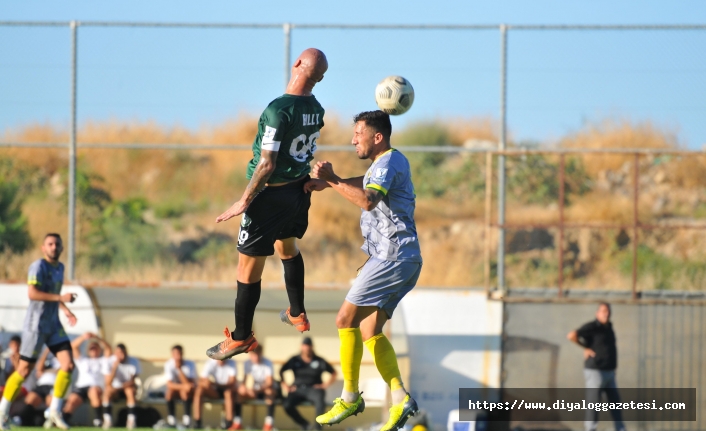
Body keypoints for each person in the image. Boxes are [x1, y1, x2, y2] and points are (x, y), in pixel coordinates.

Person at [206, 48, 329, 360]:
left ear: (298, 64)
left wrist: (244, 201)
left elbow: (267, 164)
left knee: (247, 269)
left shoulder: (278, 109)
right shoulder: (316, 108)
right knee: (287, 248)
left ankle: (241, 337)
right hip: (298, 193)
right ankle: (298, 312)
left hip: (270, 196)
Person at [304, 111, 423, 431]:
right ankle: (400, 398)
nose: (353, 138)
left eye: (359, 133)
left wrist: (332, 180)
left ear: (378, 137)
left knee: (345, 320)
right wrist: (333, 184)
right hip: (405, 259)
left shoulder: (386, 163)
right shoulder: (388, 163)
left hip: (390, 257)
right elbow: (368, 185)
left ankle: (350, 395)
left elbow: (368, 200)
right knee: (370, 331)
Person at [0, 233, 77, 431]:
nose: (54, 247)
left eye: (57, 244)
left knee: (68, 365)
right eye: (50, 244)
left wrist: (66, 310)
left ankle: (54, 411)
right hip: (36, 327)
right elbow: (33, 293)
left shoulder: (60, 267)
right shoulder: (38, 267)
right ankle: (2, 413)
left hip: (54, 325)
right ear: (43, 248)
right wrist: (62, 297)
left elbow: (53, 295)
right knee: (24, 371)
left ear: (61, 248)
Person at [567, 302, 625, 431]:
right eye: (603, 311)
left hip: (610, 373)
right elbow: (572, 335)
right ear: (597, 313)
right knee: (594, 404)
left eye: (608, 311)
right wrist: (585, 348)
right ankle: (590, 429)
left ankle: (620, 429)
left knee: (616, 404)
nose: (606, 313)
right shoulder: (592, 326)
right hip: (595, 371)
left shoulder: (609, 327)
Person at [280, 338, 336, 431]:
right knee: (287, 404)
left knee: (320, 402)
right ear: (301, 347)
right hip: (297, 389)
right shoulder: (295, 360)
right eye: (305, 346)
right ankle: (305, 425)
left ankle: (318, 427)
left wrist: (325, 385)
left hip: (314, 389)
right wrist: (285, 385)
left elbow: (333, 373)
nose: (307, 349)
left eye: (309, 346)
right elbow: (281, 371)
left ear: (312, 347)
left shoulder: (319, 360)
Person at [63, 332, 112, 426]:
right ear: (88, 350)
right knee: (72, 400)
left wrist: (98, 338)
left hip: (96, 386)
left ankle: (98, 420)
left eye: (95, 347)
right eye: (91, 348)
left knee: (93, 392)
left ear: (99, 349)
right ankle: (64, 420)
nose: (93, 350)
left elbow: (108, 348)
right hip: (81, 386)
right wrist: (83, 337)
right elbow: (73, 347)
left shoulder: (103, 360)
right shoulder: (83, 360)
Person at [102, 343, 140, 430]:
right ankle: (107, 420)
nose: (120, 355)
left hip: (126, 387)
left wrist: (120, 387)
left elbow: (132, 381)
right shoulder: (109, 361)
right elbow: (108, 383)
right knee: (107, 391)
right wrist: (115, 367)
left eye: (122, 353)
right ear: (115, 353)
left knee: (130, 391)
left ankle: (131, 420)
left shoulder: (133, 362)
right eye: (118, 353)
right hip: (114, 388)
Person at [193, 359, 237, 430]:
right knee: (199, 390)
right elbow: (202, 380)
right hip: (215, 392)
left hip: (227, 390)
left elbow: (232, 382)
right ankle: (197, 421)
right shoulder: (210, 363)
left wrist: (213, 384)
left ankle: (229, 423)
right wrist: (207, 383)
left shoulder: (231, 362)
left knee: (228, 393)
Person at [239, 345, 275, 431]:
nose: (256, 357)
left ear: (261, 353)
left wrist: (257, 390)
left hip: (264, 390)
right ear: (250, 355)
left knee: (270, 392)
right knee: (240, 391)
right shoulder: (247, 363)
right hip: (254, 391)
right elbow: (244, 381)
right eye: (254, 354)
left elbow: (269, 382)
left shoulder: (268, 363)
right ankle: (237, 421)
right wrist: (247, 389)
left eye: (258, 354)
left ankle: (269, 423)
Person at [164, 345, 196, 428]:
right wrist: (184, 387)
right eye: (175, 354)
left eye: (179, 354)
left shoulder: (190, 364)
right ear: (172, 354)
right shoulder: (168, 364)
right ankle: (171, 421)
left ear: (182, 354)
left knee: (185, 392)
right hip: (176, 390)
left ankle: (187, 421)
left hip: (189, 392)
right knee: (169, 393)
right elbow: (170, 385)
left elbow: (190, 384)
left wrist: (179, 369)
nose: (177, 356)